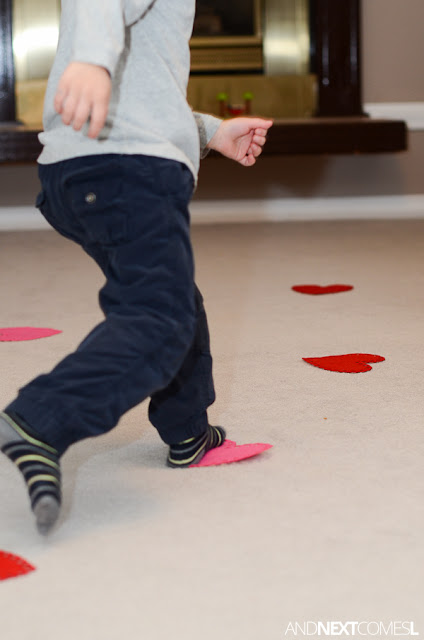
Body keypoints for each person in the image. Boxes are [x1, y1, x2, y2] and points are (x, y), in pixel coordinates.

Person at [0, 0, 273, 535]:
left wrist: (210, 131)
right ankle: (39, 419)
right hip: (127, 169)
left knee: (174, 300)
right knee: (159, 318)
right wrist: (95, 61)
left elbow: (143, 87)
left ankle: (187, 432)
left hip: (83, 170)